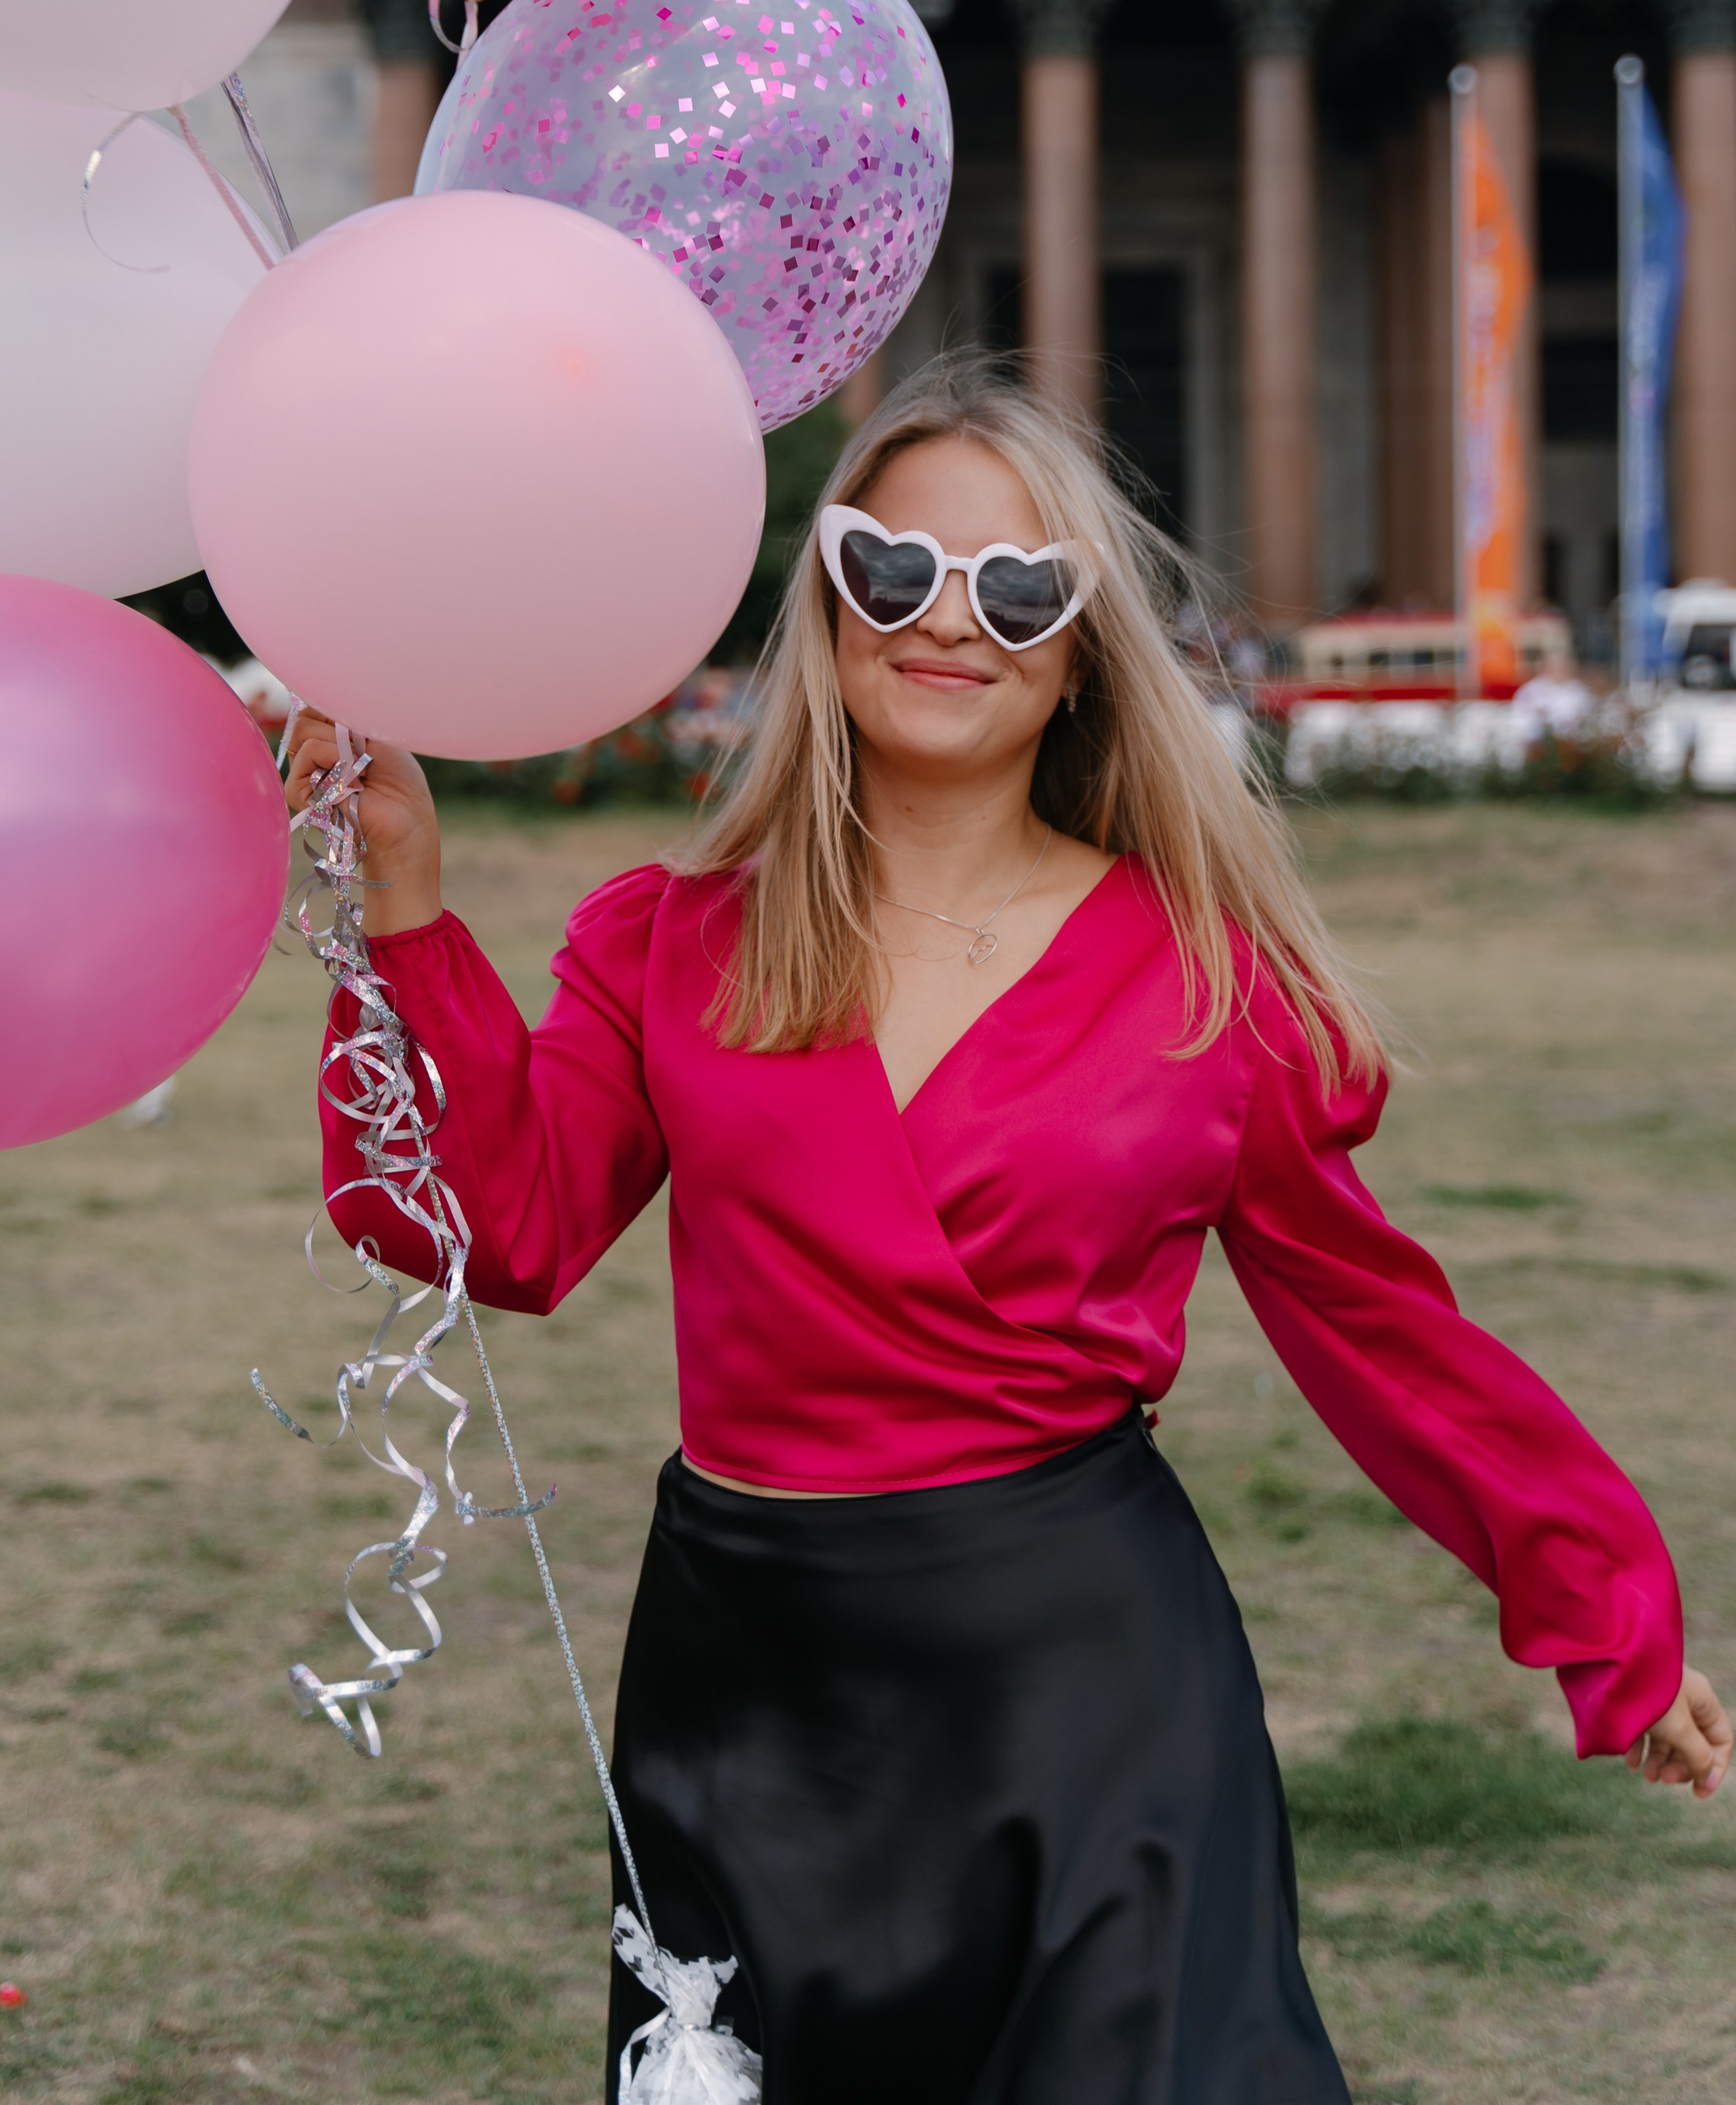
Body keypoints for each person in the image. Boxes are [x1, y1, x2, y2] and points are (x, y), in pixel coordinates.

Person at [286, 356, 1727, 2105]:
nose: (943, 621)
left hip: (1087, 1692)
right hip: (748, 1697)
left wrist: (1605, 1616)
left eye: (1015, 585)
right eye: (888, 566)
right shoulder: (670, 942)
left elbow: (1382, 1337)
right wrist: (411, 918)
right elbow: (495, 1225)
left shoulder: (1208, 984)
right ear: (823, 605)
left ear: (1077, 652)